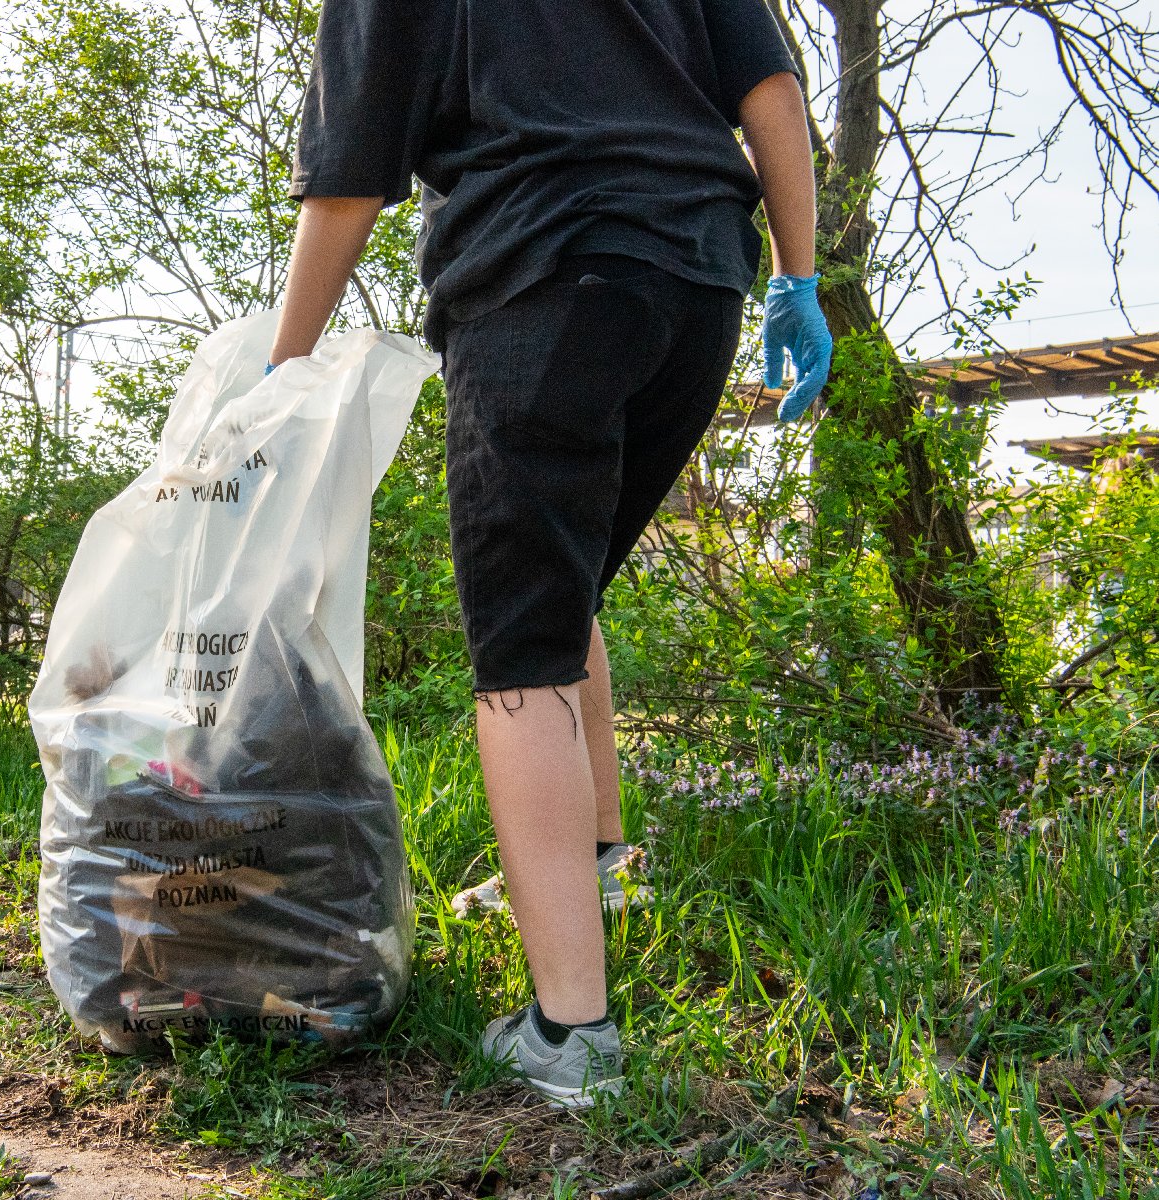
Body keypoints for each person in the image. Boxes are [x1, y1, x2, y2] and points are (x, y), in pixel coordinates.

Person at [268, 0, 833, 1106]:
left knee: (519, 652)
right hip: (698, 282)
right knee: (563, 589)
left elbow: (347, 186)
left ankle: (570, 1035)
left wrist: (279, 376)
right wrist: (797, 277)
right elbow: (771, 89)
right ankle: (601, 866)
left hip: (542, 274)